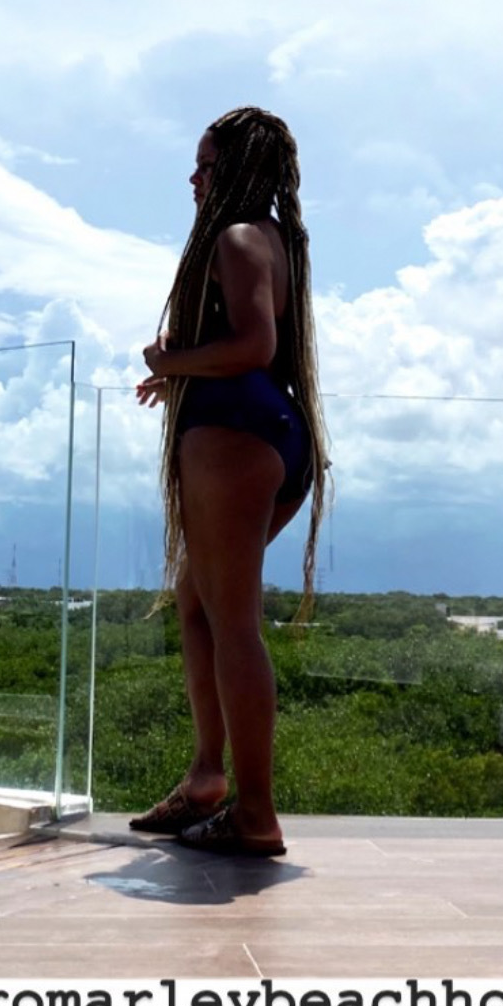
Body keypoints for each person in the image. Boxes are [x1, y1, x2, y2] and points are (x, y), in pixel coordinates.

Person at [130, 106, 329, 857]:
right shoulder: (275, 240)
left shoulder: (238, 236)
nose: (194, 178)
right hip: (272, 432)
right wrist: (183, 372)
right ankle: (207, 778)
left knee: (233, 622)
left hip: (235, 437)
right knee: (197, 602)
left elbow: (253, 344)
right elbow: (253, 348)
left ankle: (255, 814)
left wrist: (170, 362)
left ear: (238, 170)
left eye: (207, 165)